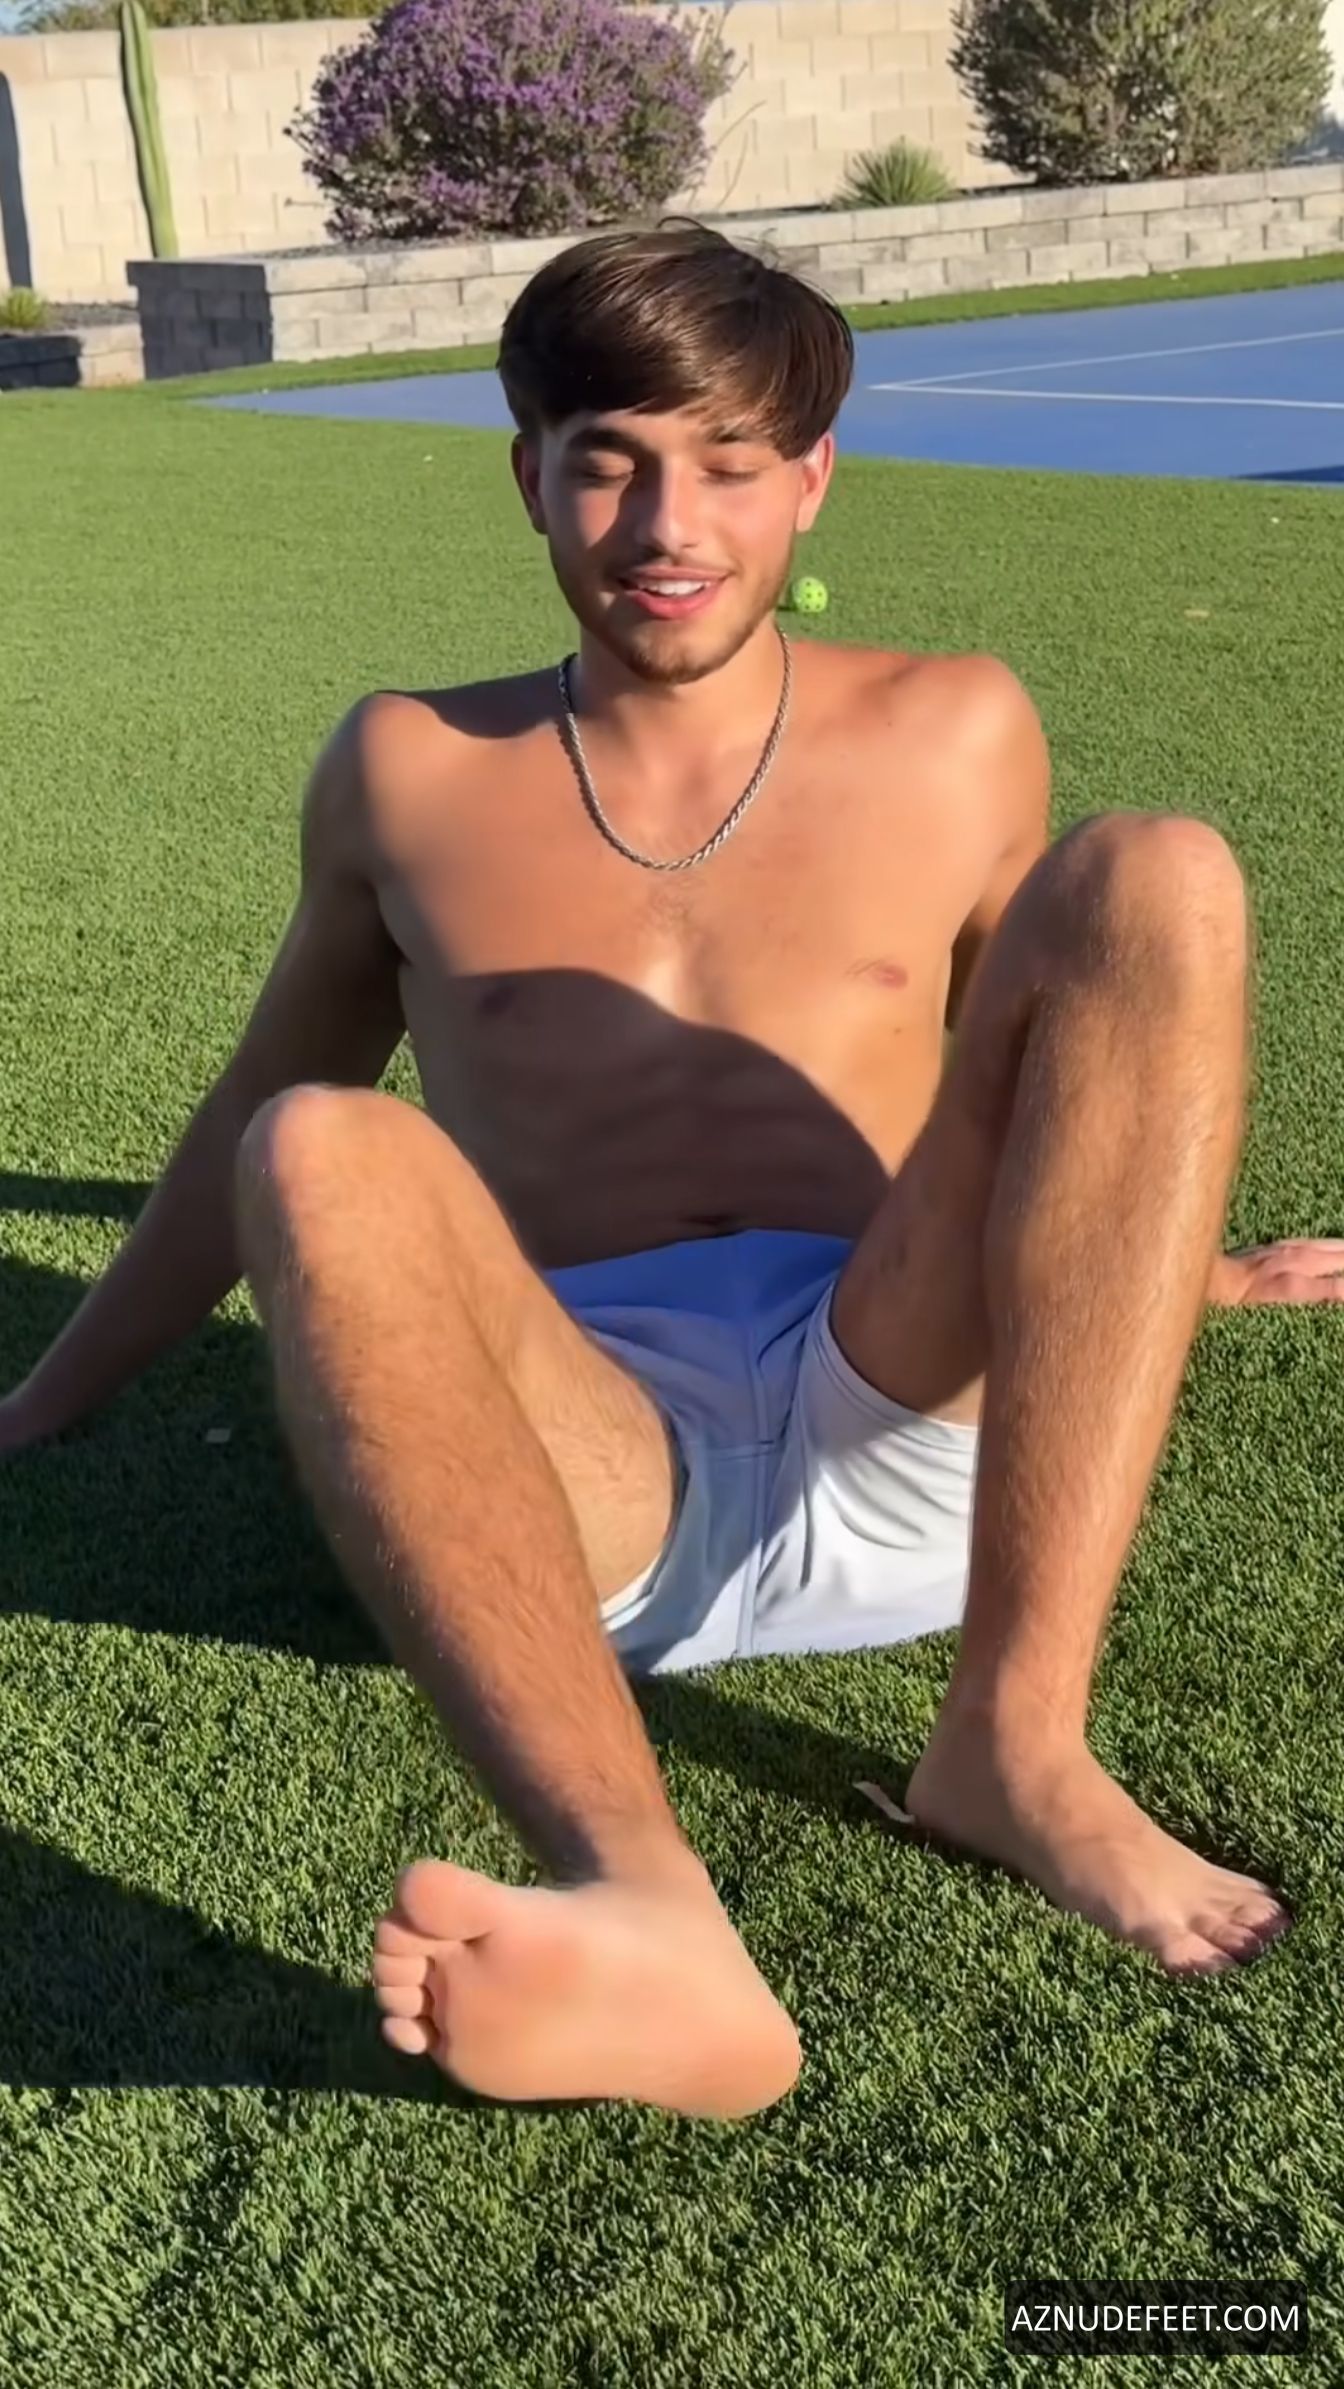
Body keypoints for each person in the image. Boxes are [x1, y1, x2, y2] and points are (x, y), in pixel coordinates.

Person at [4, 223, 1341, 2122]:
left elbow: (1056, 1079)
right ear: (527, 473)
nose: (666, 524)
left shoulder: (955, 727)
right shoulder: (406, 769)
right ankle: (647, 1907)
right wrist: (43, 1399)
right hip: (583, 1486)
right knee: (317, 1142)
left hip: (903, 1421)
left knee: (1159, 877)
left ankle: (1018, 1740)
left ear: (812, 480)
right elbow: (254, 1113)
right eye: (610, 461)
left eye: (727, 461)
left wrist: (1186, 1268)